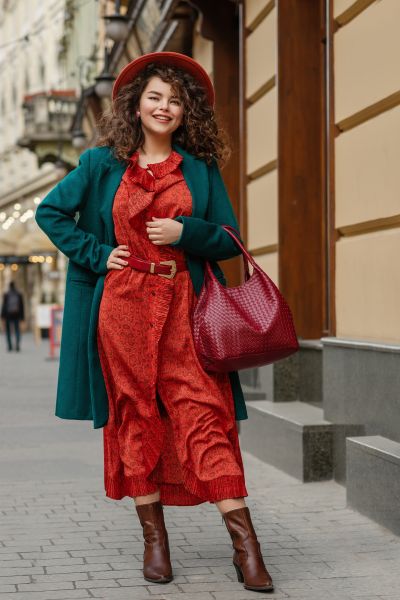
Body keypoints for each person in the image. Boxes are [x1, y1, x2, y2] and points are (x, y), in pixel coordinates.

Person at [35, 51, 274, 593]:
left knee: (205, 416)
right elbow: (51, 212)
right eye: (155, 98)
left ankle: (247, 547)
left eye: (174, 100)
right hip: (122, 308)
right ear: (136, 106)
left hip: (187, 308)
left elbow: (230, 239)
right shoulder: (101, 164)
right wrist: (98, 254)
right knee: (135, 416)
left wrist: (185, 233)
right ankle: (154, 542)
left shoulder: (199, 168)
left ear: (185, 112)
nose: (164, 107)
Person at [1, 281, 24, 352]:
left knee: (8, 331)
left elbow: (4, 306)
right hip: (17, 315)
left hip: (8, 315)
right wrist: (23, 317)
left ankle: (10, 346)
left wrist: (2, 316)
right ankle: (17, 344)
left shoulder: (6, 294)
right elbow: (22, 306)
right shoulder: (19, 294)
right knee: (17, 329)